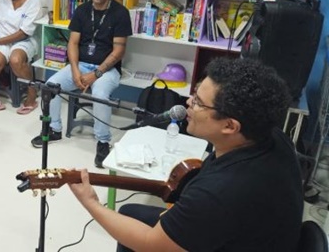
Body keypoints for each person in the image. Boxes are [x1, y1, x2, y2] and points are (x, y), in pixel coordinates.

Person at [69, 58, 303, 251]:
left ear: (230, 126)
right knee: (130, 212)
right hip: (250, 237)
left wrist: (91, 203)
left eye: (199, 103)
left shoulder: (219, 194)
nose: (188, 103)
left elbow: (152, 244)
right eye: (194, 95)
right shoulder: (272, 137)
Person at [30, 0, 131, 167]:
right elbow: (73, 44)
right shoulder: (82, 11)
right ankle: (54, 129)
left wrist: (96, 73)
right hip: (81, 64)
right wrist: (75, 69)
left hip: (107, 70)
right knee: (51, 85)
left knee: (100, 94)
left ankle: (103, 142)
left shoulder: (120, 13)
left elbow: (119, 51)